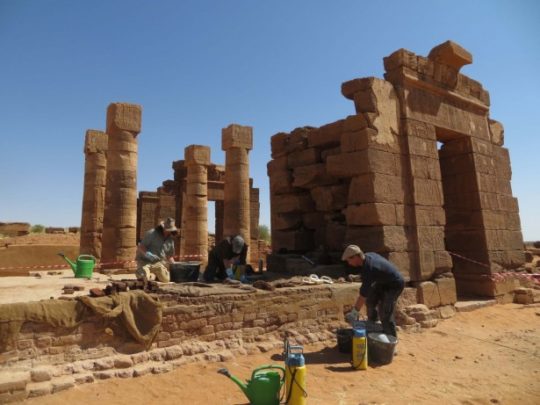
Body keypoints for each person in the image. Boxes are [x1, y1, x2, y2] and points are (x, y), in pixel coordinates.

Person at [342, 244, 405, 337]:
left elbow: (363, 295)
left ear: (355, 257)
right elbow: (375, 272)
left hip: (395, 285)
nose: (348, 263)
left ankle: (390, 341)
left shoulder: (370, 268)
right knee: (371, 300)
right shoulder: (368, 256)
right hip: (382, 282)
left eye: (349, 260)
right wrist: (359, 277)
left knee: (385, 312)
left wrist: (354, 313)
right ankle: (373, 324)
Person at [135, 217, 178, 282]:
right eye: (166, 229)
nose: (168, 231)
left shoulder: (170, 240)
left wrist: (174, 264)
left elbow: (169, 256)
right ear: (162, 228)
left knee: (166, 280)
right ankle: (141, 272)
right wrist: (148, 254)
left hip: (157, 263)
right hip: (144, 262)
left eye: (170, 230)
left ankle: (155, 276)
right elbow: (141, 246)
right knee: (145, 279)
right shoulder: (152, 233)